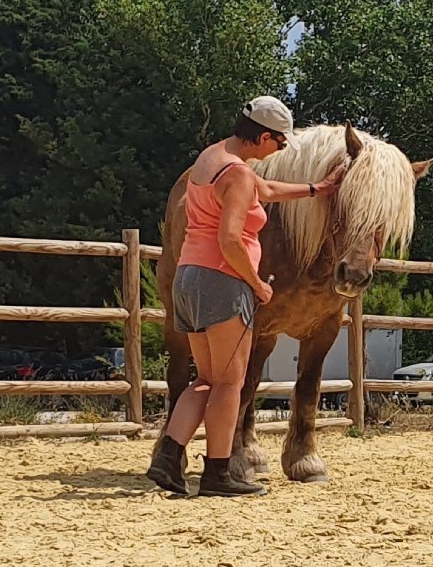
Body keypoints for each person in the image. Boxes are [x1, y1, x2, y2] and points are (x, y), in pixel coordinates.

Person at [147, 96, 345, 497]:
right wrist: (256, 283)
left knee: (204, 379)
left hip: (189, 278)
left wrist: (315, 189)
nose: (282, 150)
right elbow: (231, 239)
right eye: (280, 142)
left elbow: (265, 188)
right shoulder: (238, 175)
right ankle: (218, 474)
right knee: (228, 385)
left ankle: (168, 457)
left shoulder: (212, 158)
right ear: (264, 137)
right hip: (223, 282)